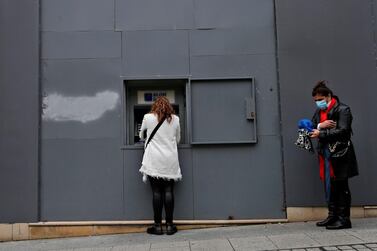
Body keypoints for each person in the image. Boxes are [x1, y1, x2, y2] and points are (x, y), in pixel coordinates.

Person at [310, 81, 358, 230]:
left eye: (320, 100)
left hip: (340, 153)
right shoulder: (319, 112)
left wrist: (321, 133)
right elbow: (310, 125)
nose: (318, 103)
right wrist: (320, 126)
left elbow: (344, 131)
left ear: (328, 96)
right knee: (330, 185)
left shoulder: (343, 109)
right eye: (316, 101)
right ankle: (332, 216)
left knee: (341, 185)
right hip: (325, 153)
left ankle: (344, 219)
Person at [139, 96, 182, 235]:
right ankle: (170, 226)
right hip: (170, 159)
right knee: (169, 191)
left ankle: (157, 226)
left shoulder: (147, 117)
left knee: (156, 192)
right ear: (169, 106)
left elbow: (141, 136)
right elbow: (178, 139)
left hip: (154, 159)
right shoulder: (175, 119)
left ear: (155, 106)